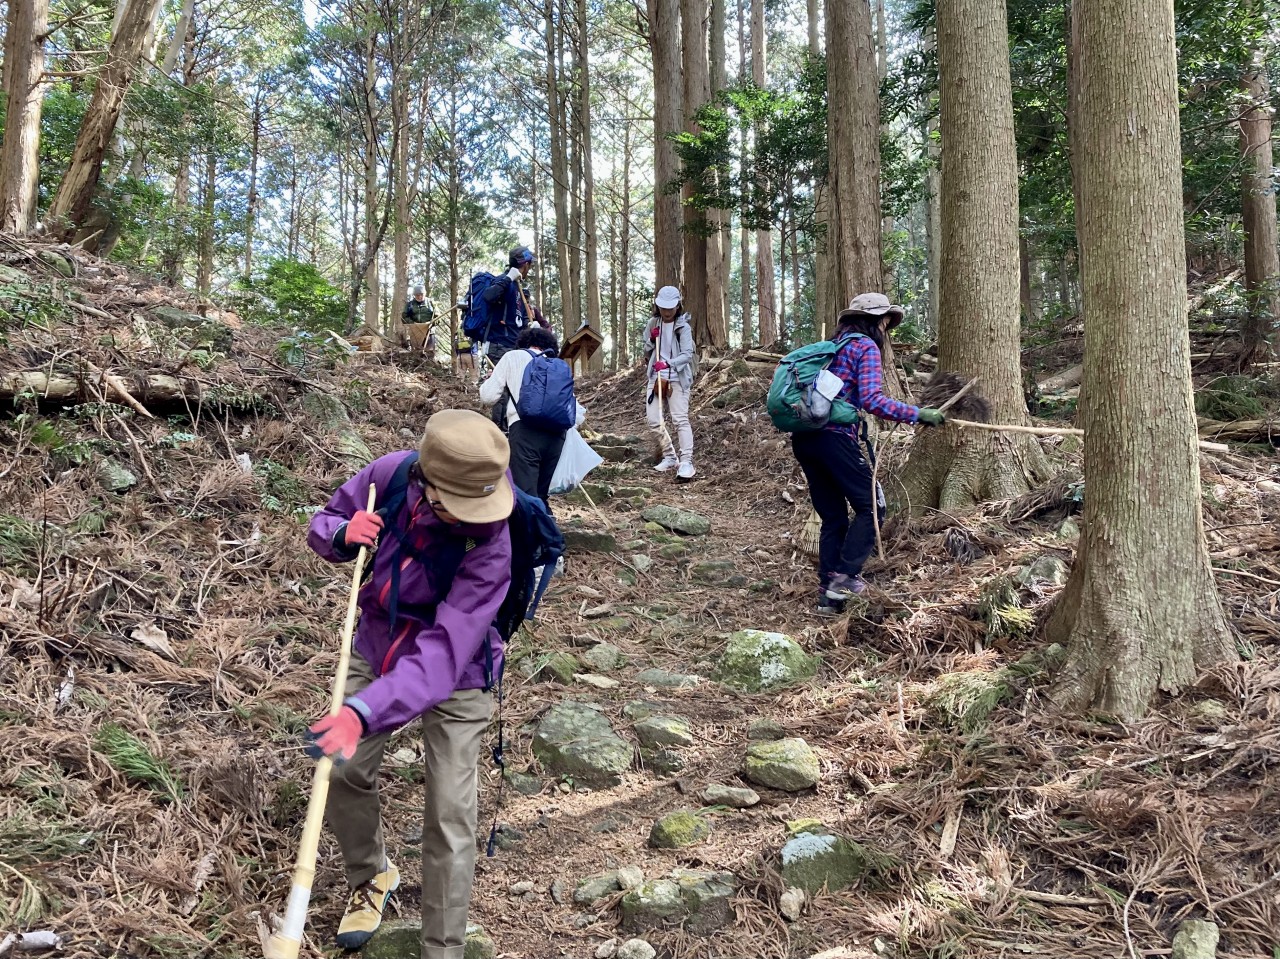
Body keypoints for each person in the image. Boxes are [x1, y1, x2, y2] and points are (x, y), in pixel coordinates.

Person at [304, 409, 514, 957]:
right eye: (462, 506)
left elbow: (444, 653)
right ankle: (371, 877)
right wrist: (342, 534)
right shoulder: (390, 477)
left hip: (461, 671)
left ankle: (441, 948)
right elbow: (324, 520)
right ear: (427, 481)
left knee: (449, 811)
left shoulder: (492, 543)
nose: (477, 517)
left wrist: (364, 712)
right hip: (378, 643)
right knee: (341, 769)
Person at [792, 293, 946, 617]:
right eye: (885, 322)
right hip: (834, 439)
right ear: (876, 321)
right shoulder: (865, 347)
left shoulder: (830, 347)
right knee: (872, 506)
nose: (886, 329)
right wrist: (918, 414)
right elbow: (873, 400)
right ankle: (846, 577)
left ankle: (828, 596)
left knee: (833, 517)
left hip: (805, 439)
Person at [478, 326, 586, 506]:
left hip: (524, 432)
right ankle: (547, 530)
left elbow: (488, 397)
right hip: (556, 435)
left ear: (523, 343)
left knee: (526, 495)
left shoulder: (513, 357)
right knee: (542, 496)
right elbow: (577, 414)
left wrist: (489, 380)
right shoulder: (556, 366)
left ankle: (534, 533)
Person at [644, 285, 697, 481]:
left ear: (677, 306)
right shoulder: (653, 322)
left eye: (670, 308)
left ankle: (686, 461)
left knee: (680, 419)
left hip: (677, 378)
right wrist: (652, 337)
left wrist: (667, 363)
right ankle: (669, 456)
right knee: (654, 420)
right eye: (663, 308)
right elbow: (646, 347)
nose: (666, 312)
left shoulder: (683, 327)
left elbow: (687, 355)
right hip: (656, 378)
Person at [479, 246, 535, 366]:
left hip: (513, 346)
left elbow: (520, 318)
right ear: (525, 264)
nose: (529, 269)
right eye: (529, 265)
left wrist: (531, 326)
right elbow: (488, 296)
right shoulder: (503, 281)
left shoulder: (519, 290)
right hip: (499, 345)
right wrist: (508, 278)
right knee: (501, 385)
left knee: (514, 384)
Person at [402, 285, 436, 355]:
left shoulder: (431, 303)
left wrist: (432, 322)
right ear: (414, 295)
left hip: (429, 332)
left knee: (429, 353)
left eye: (421, 295)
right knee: (416, 353)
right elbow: (404, 317)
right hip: (415, 333)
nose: (420, 297)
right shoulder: (410, 304)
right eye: (417, 295)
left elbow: (437, 316)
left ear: (424, 294)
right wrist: (412, 323)